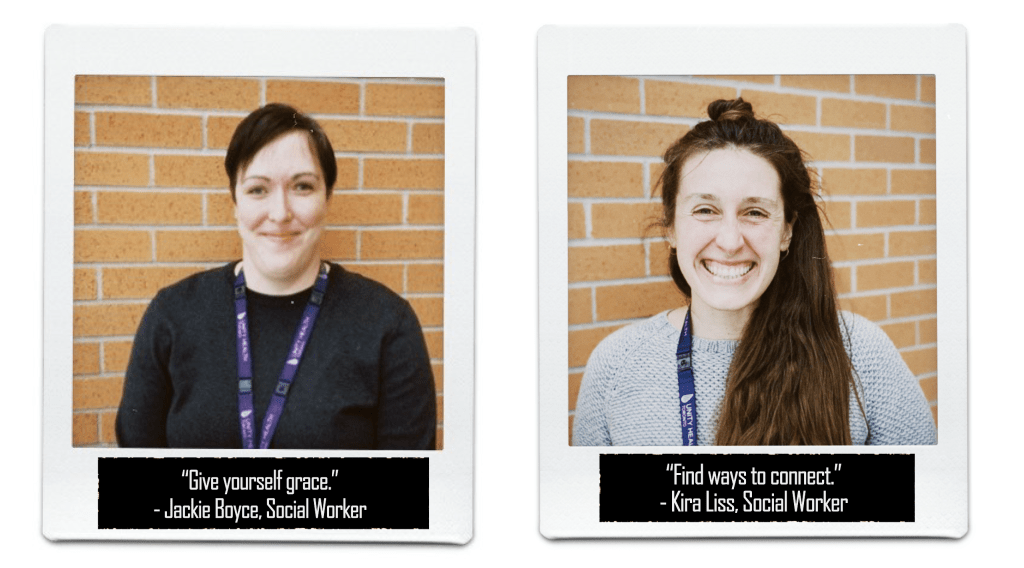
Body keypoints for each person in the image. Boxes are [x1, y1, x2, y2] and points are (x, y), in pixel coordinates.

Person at [572, 98, 936, 446]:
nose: (730, 241)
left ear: (786, 232)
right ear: (671, 227)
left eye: (755, 212)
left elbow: (925, 497)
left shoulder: (859, 354)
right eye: (705, 210)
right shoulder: (615, 365)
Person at [116, 103, 437, 449]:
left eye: (302, 187)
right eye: (258, 189)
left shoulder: (387, 324)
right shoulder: (172, 315)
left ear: (327, 198)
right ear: (235, 203)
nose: (280, 213)